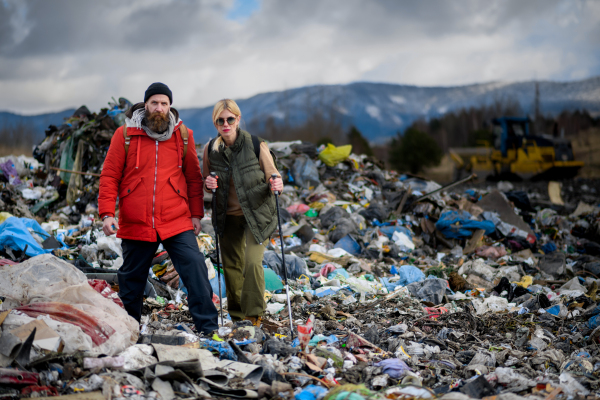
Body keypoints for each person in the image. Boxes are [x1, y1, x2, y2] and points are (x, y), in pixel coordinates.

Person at [99, 82, 218, 335]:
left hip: (176, 219)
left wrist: (196, 214)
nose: (159, 108)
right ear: (146, 105)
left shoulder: (183, 135)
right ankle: (129, 329)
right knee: (131, 280)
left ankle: (208, 328)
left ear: (170, 106)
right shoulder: (125, 135)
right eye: (155, 103)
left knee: (195, 267)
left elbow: (193, 178)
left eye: (164, 103)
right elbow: (110, 175)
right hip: (136, 221)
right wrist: (107, 213)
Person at [203, 99, 283, 326]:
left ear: (238, 119)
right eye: (220, 120)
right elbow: (207, 182)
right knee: (231, 267)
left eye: (230, 119)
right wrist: (209, 183)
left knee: (252, 261)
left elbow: (273, 175)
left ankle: (254, 315)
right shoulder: (211, 150)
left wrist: (276, 183)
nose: (225, 124)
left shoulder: (256, 144)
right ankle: (237, 317)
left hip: (257, 214)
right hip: (227, 216)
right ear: (215, 123)